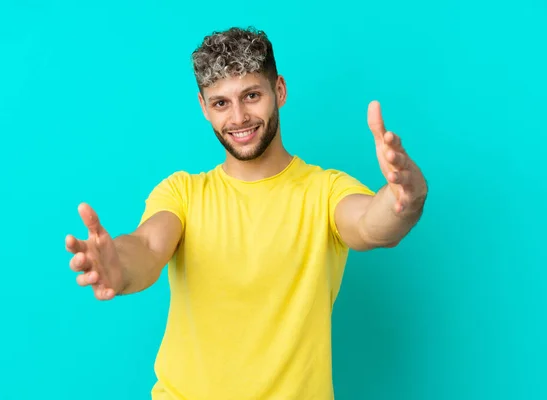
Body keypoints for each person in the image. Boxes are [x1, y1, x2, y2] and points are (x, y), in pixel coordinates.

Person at [65, 26, 428, 400]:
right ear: (204, 107)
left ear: (280, 91)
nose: (238, 117)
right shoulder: (182, 193)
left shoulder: (324, 191)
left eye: (251, 95)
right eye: (221, 103)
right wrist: (117, 267)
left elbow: (372, 224)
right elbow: (146, 246)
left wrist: (404, 197)